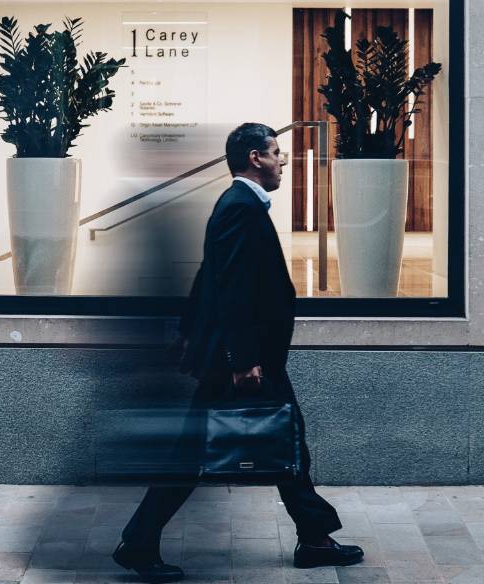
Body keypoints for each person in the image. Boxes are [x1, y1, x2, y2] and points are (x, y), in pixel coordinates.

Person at [112, 123, 364, 582]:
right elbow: (229, 287)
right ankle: (140, 541)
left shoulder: (240, 206)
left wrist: (190, 330)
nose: (282, 161)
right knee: (234, 447)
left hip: (242, 355)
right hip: (244, 360)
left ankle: (313, 536)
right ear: (254, 158)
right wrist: (243, 360)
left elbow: (210, 273)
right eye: (276, 153)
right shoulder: (240, 208)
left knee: (284, 440)